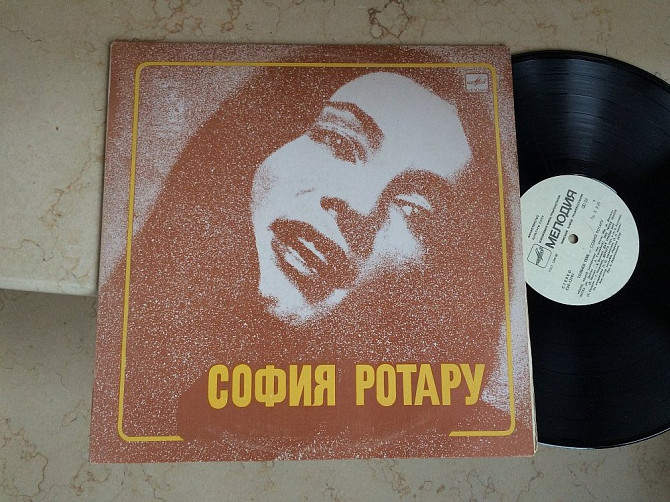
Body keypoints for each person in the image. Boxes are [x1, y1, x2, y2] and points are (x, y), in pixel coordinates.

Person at [105, 59, 515, 459]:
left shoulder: (465, 436)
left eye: (413, 208)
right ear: (262, 146)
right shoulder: (126, 398)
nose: (360, 207)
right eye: (339, 142)